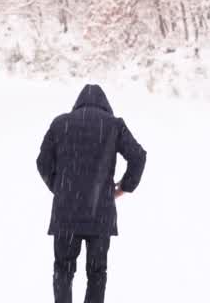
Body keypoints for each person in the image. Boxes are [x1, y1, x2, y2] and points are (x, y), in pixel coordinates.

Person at [35, 84, 147, 303]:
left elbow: (42, 163)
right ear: (106, 105)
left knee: (63, 270)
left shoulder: (61, 124)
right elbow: (138, 157)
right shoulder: (113, 125)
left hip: (66, 214)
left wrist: (60, 188)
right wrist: (124, 187)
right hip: (100, 214)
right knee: (97, 273)